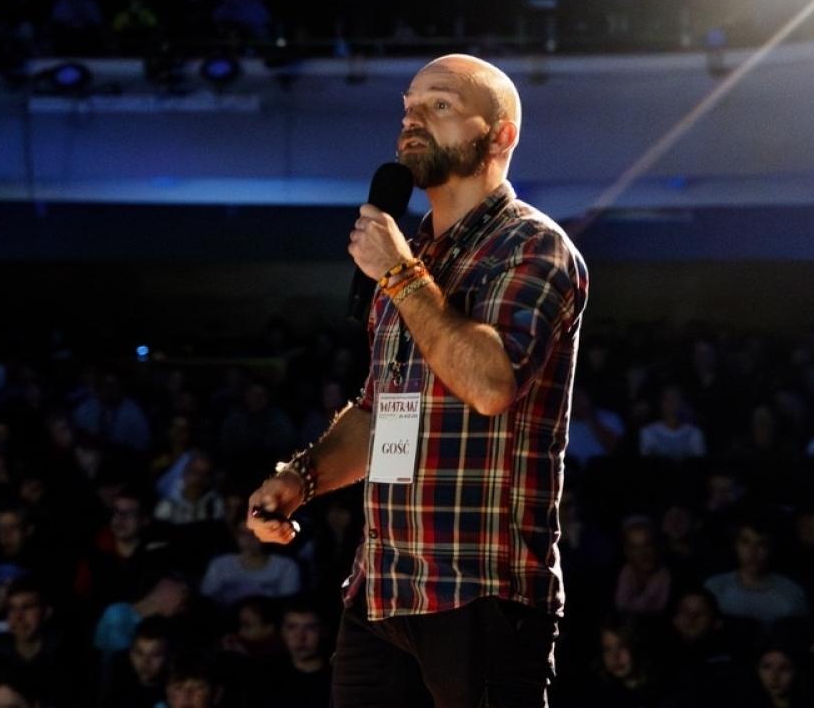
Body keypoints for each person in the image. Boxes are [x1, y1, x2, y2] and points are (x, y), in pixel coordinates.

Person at [247, 53, 589, 707]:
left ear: (500, 135)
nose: (412, 121)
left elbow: (489, 386)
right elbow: (383, 415)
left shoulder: (532, 249)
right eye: (408, 107)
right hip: (382, 592)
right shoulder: (408, 258)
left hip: (479, 593)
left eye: (439, 106)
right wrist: (303, 477)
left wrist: (400, 276)